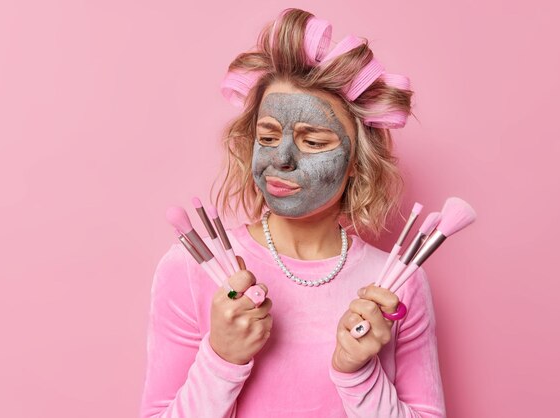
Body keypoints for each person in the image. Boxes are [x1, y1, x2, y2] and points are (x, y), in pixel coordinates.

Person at [139, 8, 446, 418]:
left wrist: (358, 375)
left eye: (314, 142)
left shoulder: (396, 286)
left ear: (357, 161)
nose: (280, 158)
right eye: (267, 136)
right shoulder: (190, 269)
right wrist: (221, 359)